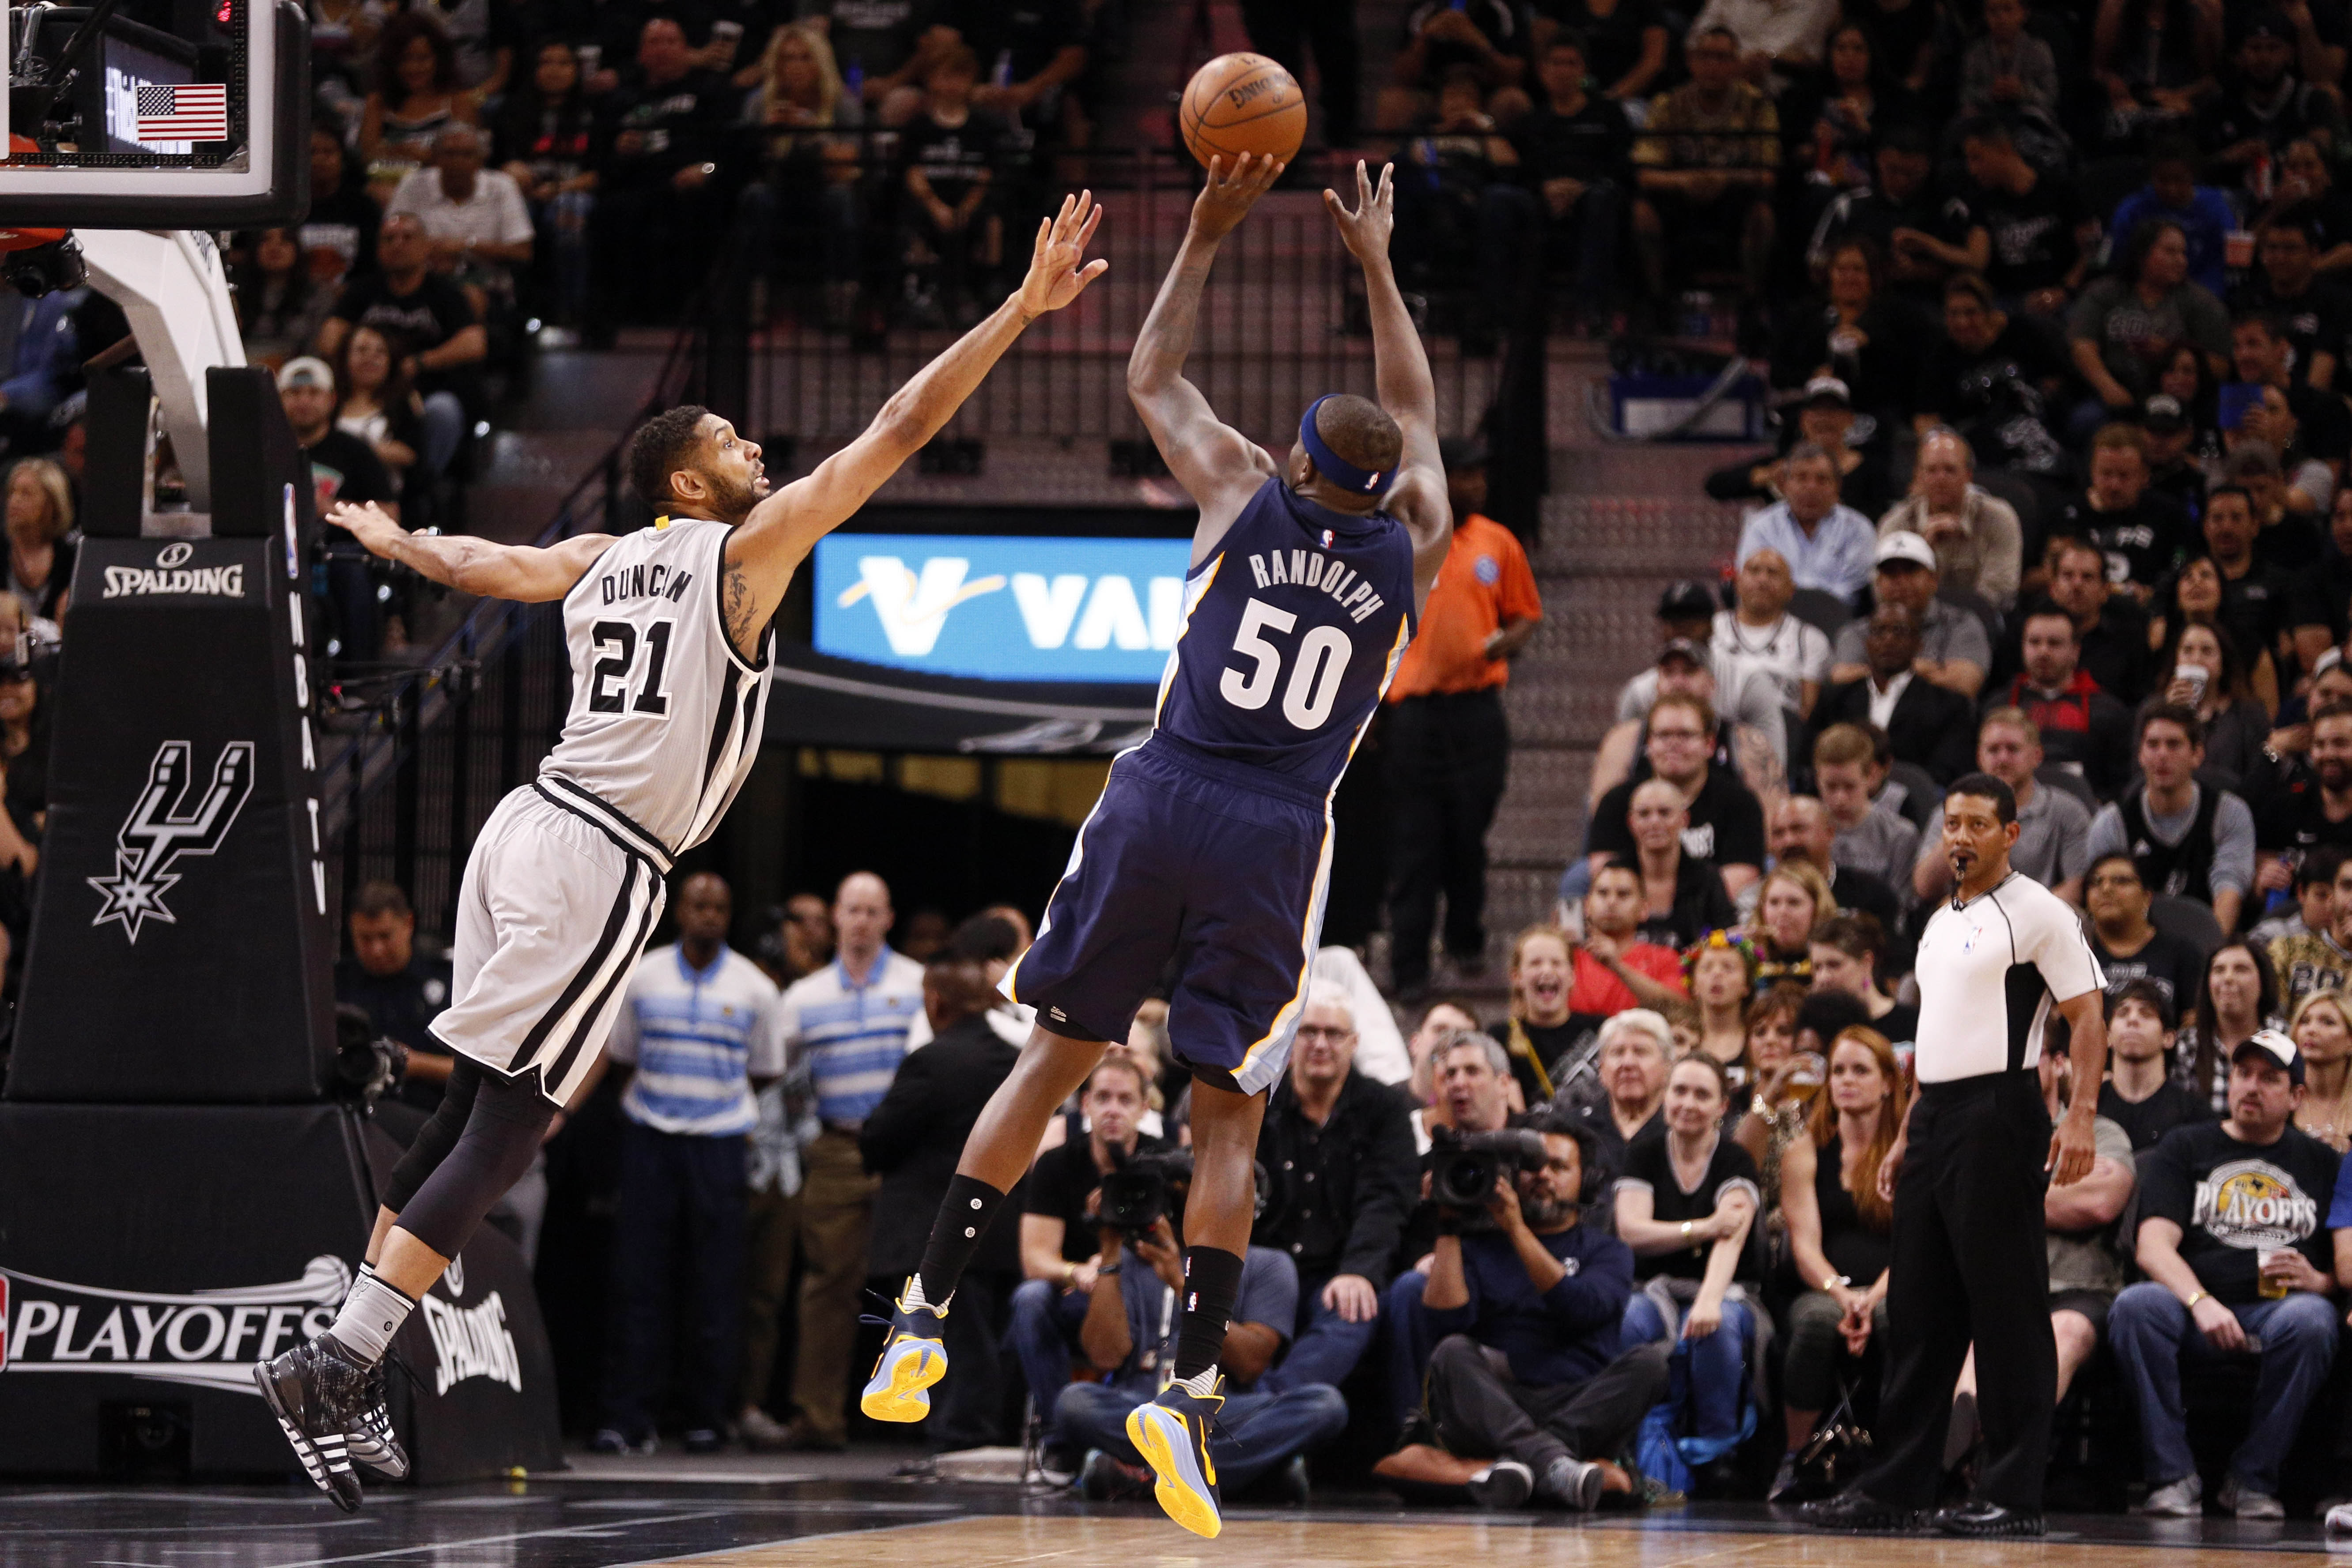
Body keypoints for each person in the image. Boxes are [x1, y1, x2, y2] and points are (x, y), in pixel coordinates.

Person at [254, 195, 1108, 1511]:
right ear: (688, 483)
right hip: (599, 852)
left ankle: (353, 1362)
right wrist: (1019, 309)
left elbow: (488, 563)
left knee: (467, 1107)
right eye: (730, 439)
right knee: (523, 1119)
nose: (757, 445)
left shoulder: (603, 554)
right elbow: (899, 429)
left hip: (521, 829)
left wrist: (395, 542)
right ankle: (341, 1357)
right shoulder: (738, 556)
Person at [860, 160, 1445, 1542]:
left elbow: (1148, 374)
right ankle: (1182, 1397)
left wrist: (1199, 229)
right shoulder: (1409, 536)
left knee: (1053, 1056)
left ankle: (918, 1321)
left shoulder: (1241, 489)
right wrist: (1372, 262)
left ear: (1299, 458)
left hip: (1161, 790)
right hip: (1276, 830)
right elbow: (1411, 412)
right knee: (1224, 1112)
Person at [1802, 771, 2107, 1538]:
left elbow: (2088, 1017)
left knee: (2006, 1307)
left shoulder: (2040, 912)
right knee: (1919, 1309)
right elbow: (1933, 1033)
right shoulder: (1941, 918)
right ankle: (1896, 1484)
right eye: (1951, 824)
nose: (1961, 837)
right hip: (1935, 1114)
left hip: (2000, 1111)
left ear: (2012, 833)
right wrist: (1907, 1134)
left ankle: (2012, 1492)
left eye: (1978, 824)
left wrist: (2079, 1116)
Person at [2109, 1029, 2344, 1519]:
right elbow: (2153, 1246)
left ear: (2297, 1096)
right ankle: (2172, 1476)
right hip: (2193, 1310)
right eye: (2242, 1074)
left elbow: (2339, 1269)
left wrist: (2317, 1280)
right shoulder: (2186, 1145)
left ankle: (2252, 1479)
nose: (2251, 1086)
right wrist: (2201, 1302)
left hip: (2279, 1311)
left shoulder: (2321, 1162)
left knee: (2313, 1319)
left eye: (2269, 1078)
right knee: (2136, 1306)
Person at [593, 873, 783, 1457]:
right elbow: (622, 1055)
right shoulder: (643, 976)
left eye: (720, 907)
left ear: (729, 916)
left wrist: (710, 1102)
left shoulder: (755, 986)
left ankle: (706, 1416)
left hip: (720, 1144)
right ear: (680, 909)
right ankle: (629, 1417)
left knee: (716, 1285)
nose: (709, 915)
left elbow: (766, 1068)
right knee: (638, 1281)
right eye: (699, 904)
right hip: (651, 1139)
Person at [1420, 1109, 1670, 1510]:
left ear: (1585, 1180)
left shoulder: (1607, 1251)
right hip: (1499, 1403)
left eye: (1558, 1166)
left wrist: (1517, 1231)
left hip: (1577, 1404)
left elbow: (1581, 1310)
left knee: (1650, 1364)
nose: (1543, 1175)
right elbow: (1442, 1324)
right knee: (1451, 1351)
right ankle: (1554, 1465)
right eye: (1533, 1166)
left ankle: (1524, 1462)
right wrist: (1448, 1223)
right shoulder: (1482, 1244)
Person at [768, 871, 928, 1452]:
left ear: (888, 918)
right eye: (852, 909)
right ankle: (818, 1415)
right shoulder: (803, 997)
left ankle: (916, 1417)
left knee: (917, 1282)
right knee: (827, 1281)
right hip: (836, 1146)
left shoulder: (917, 984)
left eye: (872, 910)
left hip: (905, 1147)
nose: (861, 920)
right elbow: (771, 1073)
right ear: (835, 916)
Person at [1055, 1199, 1345, 1506]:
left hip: (1226, 1411)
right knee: (1074, 1403)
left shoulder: (1267, 1263)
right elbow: (1104, 1356)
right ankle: (1247, 1480)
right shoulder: (1128, 1260)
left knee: (1325, 1405)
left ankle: (1154, 1477)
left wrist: (1183, 1284)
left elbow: (1251, 1364)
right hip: (1145, 1407)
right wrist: (1110, 1255)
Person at [1384, 436, 1542, 998]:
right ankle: (1407, 969)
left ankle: (1466, 940)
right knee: (1414, 842)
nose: (1476, 484)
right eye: (1465, 475)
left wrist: (1500, 645)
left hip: (1477, 711)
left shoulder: (1498, 542)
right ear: (1439, 478)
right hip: (1412, 715)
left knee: (1468, 835)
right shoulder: (1401, 539)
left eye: (1480, 475)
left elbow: (1525, 614)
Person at [858, 944, 1025, 1455]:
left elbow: (879, 1139)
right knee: (990, 1333)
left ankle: (961, 1434)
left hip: (934, 1227)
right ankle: (987, 1429)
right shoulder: (1017, 1060)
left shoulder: (931, 1060)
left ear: (935, 1002)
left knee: (951, 1334)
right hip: (1004, 1220)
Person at [1252, 984, 1420, 1394]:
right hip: (1264, 1274)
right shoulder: (1257, 1104)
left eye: (1334, 1034)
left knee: (1356, 1308)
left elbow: (1387, 1199)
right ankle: (1281, 1419)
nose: (1321, 1044)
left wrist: (1359, 1271)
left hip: (1339, 1270)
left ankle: (1260, 1413)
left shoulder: (1387, 1109)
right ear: (1291, 1040)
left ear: (1354, 1043)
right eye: (1309, 1032)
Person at [1615, 1053, 1762, 1490]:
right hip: (1651, 1288)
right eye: (1680, 1091)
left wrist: (1710, 1299)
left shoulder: (1735, 1159)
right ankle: (1633, 1444)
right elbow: (1631, 1230)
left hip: (1727, 1287)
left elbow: (1730, 1238)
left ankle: (1717, 1449)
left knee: (1715, 1327)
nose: (1688, 1102)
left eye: (1702, 1094)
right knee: (1629, 1319)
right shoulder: (1643, 1153)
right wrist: (1702, 1226)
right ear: (1665, 1098)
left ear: (1722, 1106)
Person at [1014, 1057, 1168, 1474]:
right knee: (1030, 1299)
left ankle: (1131, 1420)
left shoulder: (1163, 1164)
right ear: (1085, 1105)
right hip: (1080, 1294)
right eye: (1103, 1098)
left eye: (1125, 1099)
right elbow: (1035, 1258)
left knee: (1150, 1291)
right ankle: (1063, 1435)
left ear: (1143, 1109)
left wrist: (1121, 1263)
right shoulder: (1057, 1163)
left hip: (1146, 1298)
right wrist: (1079, 1271)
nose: (1113, 1109)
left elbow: (1178, 1250)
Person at [1773, 1024, 1904, 1500]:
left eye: (1860, 1070)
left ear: (1889, 1082)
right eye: (1839, 1071)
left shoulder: (1907, 1153)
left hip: (1894, 1284)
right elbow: (1804, 1244)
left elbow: (1914, 1243)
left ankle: (1899, 1458)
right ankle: (1794, 1457)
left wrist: (1872, 1297)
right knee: (1814, 1321)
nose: (1847, 1080)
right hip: (1825, 1286)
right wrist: (1844, 1294)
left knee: (1901, 1319)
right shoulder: (1805, 1149)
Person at [318, 212, 484, 481]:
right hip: (364, 387)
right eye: (389, 239)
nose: (398, 245)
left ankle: (427, 484)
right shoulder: (363, 289)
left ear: (426, 246)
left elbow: (474, 343)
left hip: (425, 388)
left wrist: (418, 363)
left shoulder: (446, 293)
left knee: (444, 410)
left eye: (408, 238)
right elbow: (329, 338)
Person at [1630, 25, 1779, 310]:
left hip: (1734, 195)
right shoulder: (1668, 104)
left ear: (1736, 64)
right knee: (1643, 212)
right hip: (1680, 195)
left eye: (1723, 58)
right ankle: (1656, 302)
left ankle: (1752, 304)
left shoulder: (1757, 106)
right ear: (1691, 61)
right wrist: (1687, 181)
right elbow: (1646, 173)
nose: (1713, 66)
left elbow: (1768, 174)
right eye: (1705, 57)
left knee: (1763, 214)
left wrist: (1723, 178)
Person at [2087, 702, 2258, 934]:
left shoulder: (2228, 813)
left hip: (2204, 942)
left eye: (2174, 745)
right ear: (2140, 755)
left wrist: (2211, 954)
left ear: (2197, 755)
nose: (2162, 755)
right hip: (2134, 946)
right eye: (2153, 745)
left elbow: (2229, 888)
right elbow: (2103, 903)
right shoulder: (2112, 821)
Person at [1584, 692, 1769, 899]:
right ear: (1649, 744)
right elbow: (1605, 875)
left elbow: (1741, 879)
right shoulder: (1617, 801)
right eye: (1663, 735)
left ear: (1709, 744)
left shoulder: (1740, 803)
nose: (1674, 744)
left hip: (1713, 914)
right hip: (1634, 912)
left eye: (1686, 735)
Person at [1915, 709, 2093, 905]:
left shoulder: (2068, 811)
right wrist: (1962, 825)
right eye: (1993, 750)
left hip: (2040, 921)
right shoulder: (1950, 811)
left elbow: (2076, 886)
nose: (2003, 759)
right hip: (1969, 919)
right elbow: (1925, 887)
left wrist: (2014, 919)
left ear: (2037, 755)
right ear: (1979, 757)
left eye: (2013, 749)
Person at [1812, 601, 1978, 783]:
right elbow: (1810, 761)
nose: (1889, 639)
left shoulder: (1949, 705)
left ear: (1918, 644)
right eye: (1879, 631)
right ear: (1868, 643)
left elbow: (1947, 772)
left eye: (1900, 631)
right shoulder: (1834, 698)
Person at [1985, 604, 2133, 801]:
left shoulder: (2109, 712)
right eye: (2034, 642)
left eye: (2054, 643)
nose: (2043, 651)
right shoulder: (1997, 707)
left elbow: (2122, 785)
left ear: (2075, 651)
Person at [384, 123, 535, 315]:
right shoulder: (412, 185)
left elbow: (523, 252)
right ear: (435, 158)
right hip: (423, 281)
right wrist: (428, 251)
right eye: (450, 154)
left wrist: (465, 246)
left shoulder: (502, 186)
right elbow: (388, 241)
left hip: (487, 286)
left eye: (467, 155)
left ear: (480, 159)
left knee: (469, 297)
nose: (458, 162)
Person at [333, 880, 454, 1114]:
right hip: (353, 1118)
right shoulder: (334, 985)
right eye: (366, 939)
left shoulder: (449, 982)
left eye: (385, 936)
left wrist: (417, 1064)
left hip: (431, 1121)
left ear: (408, 924)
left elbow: (481, 1070)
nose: (377, 949)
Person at [1826, 532, 1991, 699]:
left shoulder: (1961, 624)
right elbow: (1842, 680)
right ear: (1878, 584)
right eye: (1891, 573)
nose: (1901, 581)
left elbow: (1964, 685)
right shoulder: (1858, 631)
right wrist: (1924, 670)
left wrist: (1878, 673)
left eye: (1911, 571)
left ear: (1933, 580)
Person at [1876, 429, 2023, 610]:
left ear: (1968, 475)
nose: (1940, 479)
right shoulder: (1897, 523)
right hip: (1914, 623)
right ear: (1920, 476)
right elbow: (1881, 592)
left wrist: (1950, 620)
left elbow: (2001, 591)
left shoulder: (1998, 517)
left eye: (1950, 470)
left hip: (1980, 621)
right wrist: (1921, 550)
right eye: (1932, 471)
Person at [2057, 423, 2194, 597]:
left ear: (2144, 475)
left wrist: (2154, 594)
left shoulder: (2169, 515)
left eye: (2124, 476)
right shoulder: (2068, 514)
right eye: (2106, 474)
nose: (2115, 485)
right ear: (2092, 471)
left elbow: (2185, 568)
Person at [1733, 442, 1878, 603]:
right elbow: (1752, 581)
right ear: (1785, 484)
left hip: (1839, 619)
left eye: (1822, 479)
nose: (1811, 487)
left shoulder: (1858, 529)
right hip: (1774, 617)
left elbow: (1854, 588)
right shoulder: (1762, 527)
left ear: (1837, 486)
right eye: (1802, 478)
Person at [1610, 779, 1740, 948]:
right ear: (1631, 822)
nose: (1655, 822)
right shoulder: (1613, 875)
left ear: (1684, 820)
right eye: (1644, 814)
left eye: (1665, 813)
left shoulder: (1708, 878)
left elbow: (1724, 940)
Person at [2098, 978, 2215, 1152]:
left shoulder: (2194, 1114)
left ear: (2168, 1038)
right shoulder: (2089, 1106)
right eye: (2123, 1013)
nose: (2133, 1020)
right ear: (2108, 1036)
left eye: (2146, 1014)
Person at [2083, 854, 2208, 1015]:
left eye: (2121, 881)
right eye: (2096, 882)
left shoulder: (2183, 955)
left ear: (2147, 897)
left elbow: (2194, 1022)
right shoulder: (2076, 956)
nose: (2106, 889)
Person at [1717, 547, 1831, 721]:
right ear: (1737, 583)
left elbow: (1806, 714)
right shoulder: (1714, 628)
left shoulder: (1810, 639)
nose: (1763, 580)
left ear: (1791, 589)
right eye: (1754, 571)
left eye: (1773, 573)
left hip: (1781, 731)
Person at [1768, 794, 1903, 940]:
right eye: (1778, 833)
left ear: (1830, 833)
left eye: (1798, 829)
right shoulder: (1751, 900)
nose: (1788, 841)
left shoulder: (1872, 895)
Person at [1811, 724, 1924, 890]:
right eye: (1831, 787)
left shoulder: (1900, 836)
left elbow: (1900, 907)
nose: (1840, 799)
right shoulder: (1804, 834)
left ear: (1870, 776)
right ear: (1817, 779)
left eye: (1850, 787)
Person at [2178, 940, 2286, 1111]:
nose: (2228, 978)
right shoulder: (2187, 1044)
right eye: (2219, 970)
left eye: (2241, 969)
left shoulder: (2285, 1039)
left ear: (2263, 981)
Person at [1559, 1008, 1671, 1164]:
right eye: (1618, 1053)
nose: (1627, 1063)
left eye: (1641, 1052)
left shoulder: (1681, 1130)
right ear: (1601, 1069)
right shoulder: (1574, 1129)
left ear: (1668, 1067)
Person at [1811, 913, 1915, 1041]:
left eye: (1834, 965)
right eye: (1817, 968)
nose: (1823, 978)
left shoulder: (1912, 1023)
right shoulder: (1814, 1030)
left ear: (1866, 962)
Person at [2289, 988, 2352, 1152]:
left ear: (2350, 1040)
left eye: (2328, 1022)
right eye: (2304, 1021)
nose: (2311, 1030)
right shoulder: (2282, 1097)